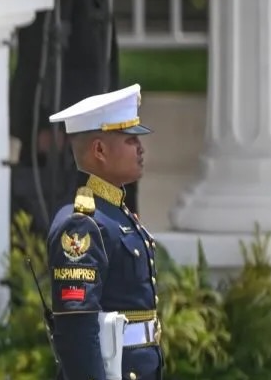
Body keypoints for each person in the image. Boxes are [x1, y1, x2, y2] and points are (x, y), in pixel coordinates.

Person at [9, 0, 129, 237]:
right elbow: (39, 47)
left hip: (85, 120)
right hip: (62, 127)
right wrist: (42, 125)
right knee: (60, 219)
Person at [45, 83, 161, 380]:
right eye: (130, 140)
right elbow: (76, 330)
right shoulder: (82, 224)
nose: (140, 148)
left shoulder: (115, 213)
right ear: (99, 150)